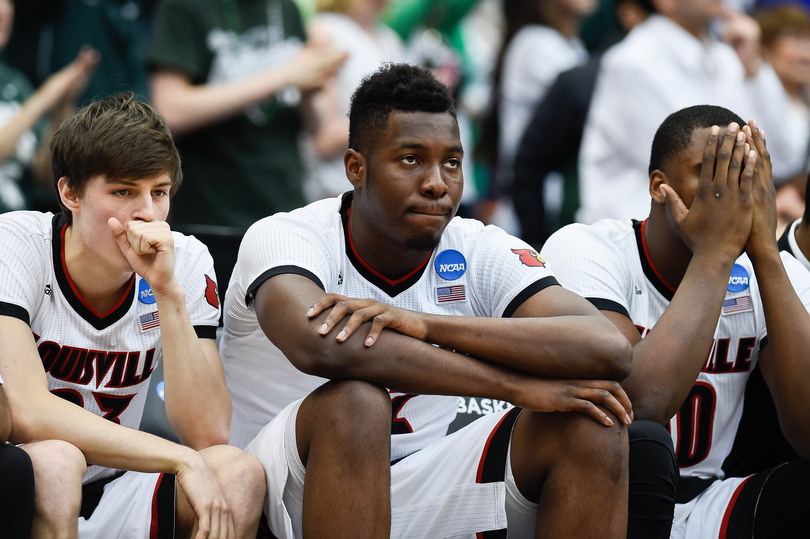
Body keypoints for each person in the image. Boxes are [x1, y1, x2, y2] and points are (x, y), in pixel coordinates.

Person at [220, 62, 639, 538]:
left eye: (452, 162)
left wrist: (424, 324)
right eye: (410, 159)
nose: (437, 183)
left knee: (591, 424)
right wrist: (513, 387)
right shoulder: (287, 235)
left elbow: (608, 347)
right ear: (356, 167)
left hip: (422, 479)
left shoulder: (477, 245)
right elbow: (322, 346)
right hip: (281, 491)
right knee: (357, 401)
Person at [0, 93, 266, 538]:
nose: (147, 213)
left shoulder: (185, 260)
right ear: (70, 193)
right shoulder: (17, 244)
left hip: (119, 477)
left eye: (159, 192)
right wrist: (177, 457)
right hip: (26, 477)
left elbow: (209, 432)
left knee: (237, 473)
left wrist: (167, 293)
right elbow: (27, 411)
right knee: (58, 462)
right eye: (123, 192)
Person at [541, 104, 810, 537]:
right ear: (659, 187)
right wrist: (715, 253)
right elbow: (636, 406)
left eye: (743, 174)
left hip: (709, 499)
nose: (730, 192)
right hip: (605, 491)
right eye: (710, 174)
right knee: (643, 446)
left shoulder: (772, 273)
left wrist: (765, 255)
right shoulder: (587, 248)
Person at [577, 0, 808, 224]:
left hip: (708, 236)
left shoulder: (727, 57)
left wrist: (754, 70)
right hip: (635, 244)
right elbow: (696, 164)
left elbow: (784, 160)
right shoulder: (633, 62)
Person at [147, 0, 347, 230]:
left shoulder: (286, 8)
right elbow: (169, 112)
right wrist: (283, 77)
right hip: (213, 213)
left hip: (287, 207)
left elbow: (313, 126)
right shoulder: (184, 7)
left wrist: (314, 87)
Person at [0, 0, 99, 214]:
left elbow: (47, 177)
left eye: (8, 2)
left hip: (15, 233)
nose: (4, 10)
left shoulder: (14, 82)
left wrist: (63, 105)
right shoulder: (34, 95)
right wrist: (46, 96)